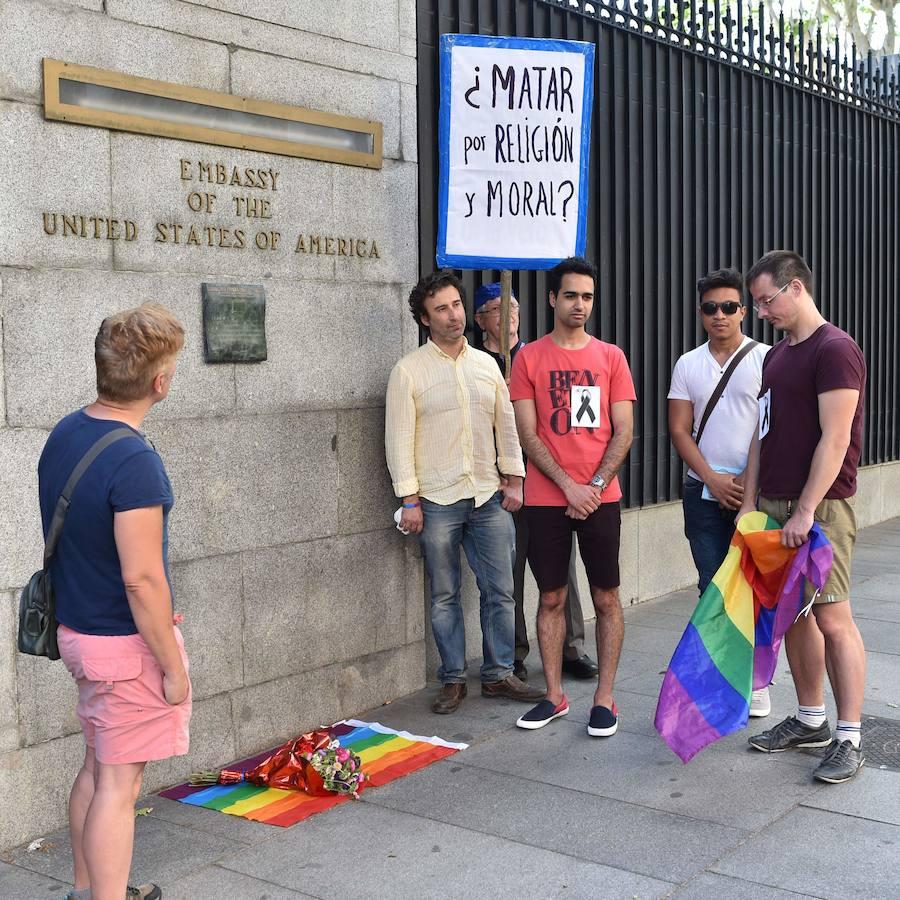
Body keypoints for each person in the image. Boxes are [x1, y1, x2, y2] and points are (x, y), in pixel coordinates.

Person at [39, 304, 191, 900]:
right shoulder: (134, 461)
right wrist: (172, 668)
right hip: (122, 646)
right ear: (159, 382)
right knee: (119, 788)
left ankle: (86, 890)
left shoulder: (67, 431)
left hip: (80, 633)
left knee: (99, 767)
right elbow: (142, 581)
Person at [385, 271, 545, 714]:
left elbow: (505, 424)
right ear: (424, 318)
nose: (453, 315)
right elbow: (398, 438)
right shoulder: (408, 371)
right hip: (435, 499)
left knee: (501, 589)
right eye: (441, 309)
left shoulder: (486, 365)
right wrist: (409, 499)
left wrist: (514, 478)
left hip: (487, 495)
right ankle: (453, 679)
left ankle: (497, 675)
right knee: (444, 594)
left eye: (456, 305)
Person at [738, 250, 867, 784]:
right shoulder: (775, 356)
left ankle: (850, 735)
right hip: (773, 508)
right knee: (792, 615)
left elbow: (836, 438)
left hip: (820, 510)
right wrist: (749, 502)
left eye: (766, 300)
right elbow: (760, 435)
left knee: (834, 617)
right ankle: (810, 719)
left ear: (796, 288)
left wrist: (807, 508)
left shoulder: (835, 350)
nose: (761, 311)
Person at [509, 257, 636, 735]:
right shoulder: (530, 358)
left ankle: (604, 698)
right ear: (552, 299)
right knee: (551, 598)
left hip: (601, 498)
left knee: (606, 597)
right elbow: (528, 432)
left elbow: (623, 431)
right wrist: (567, 486)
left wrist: (595, 487)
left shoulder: (611, 358)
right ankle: (554, 696)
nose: (579, 304)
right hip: (546, 500)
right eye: (570, 295)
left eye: (586, 296)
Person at [474, 282, 598, 682]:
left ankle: (571, 648)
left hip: (550, 480)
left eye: (512, 306)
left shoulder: (542, 357)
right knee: (508, 572)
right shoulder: (475, 364)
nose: (508, 315)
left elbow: (576, 414)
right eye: (496, 308)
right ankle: (513, 652)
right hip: (501, 485)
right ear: (480, 321)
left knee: (561, 569)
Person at [668, 267, 772, 717]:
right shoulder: (688, 363)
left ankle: (756, 680)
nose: (720, 315)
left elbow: (772, 429)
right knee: (714, 586)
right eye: (711, 308)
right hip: (703, 492)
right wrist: (711, 478)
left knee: (757, 587)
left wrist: (746, 487)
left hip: (758, 492)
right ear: (700, 313)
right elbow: (679, 428)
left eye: (729, 307)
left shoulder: (768, 358)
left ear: (744, 311)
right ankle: (720, 677)